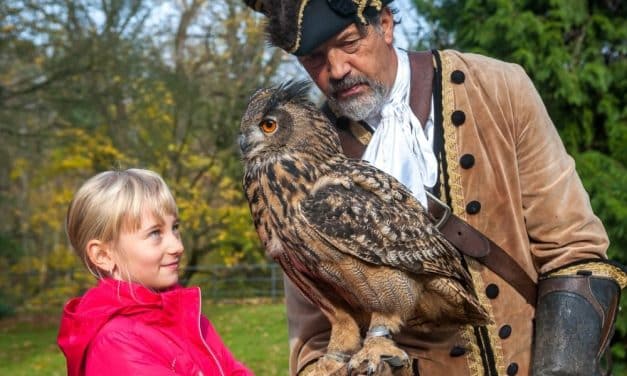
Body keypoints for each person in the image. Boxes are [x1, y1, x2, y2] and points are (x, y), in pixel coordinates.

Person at [243, 0, 627, 375]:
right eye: (314, 59)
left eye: (348, 43)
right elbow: (315, 332)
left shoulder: (497, 88)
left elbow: (574, 251)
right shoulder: (301, 158)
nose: (337, 69)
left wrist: (562, 368)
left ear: (386, 25)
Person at [57, 168, 254, 376]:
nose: (177, 246)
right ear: (103, 255)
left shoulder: (186, 316)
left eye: (175, 228)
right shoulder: (116, 342)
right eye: (155, 233)